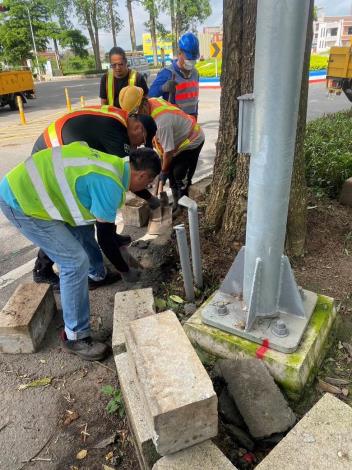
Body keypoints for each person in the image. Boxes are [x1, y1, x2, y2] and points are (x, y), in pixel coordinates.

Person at [0, 143, 161, 361]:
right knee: (74, 262)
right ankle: (75, 336)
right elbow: (106, 238)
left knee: (84, 229)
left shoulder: (114, 163)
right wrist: (126, 271)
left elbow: (96, 226)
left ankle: (96, 275)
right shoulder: (110, 185)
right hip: (21, 201)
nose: (147, 187)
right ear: (142, 175)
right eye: (149, 183)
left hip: (29, 186)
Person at [30, 105, 159, 288]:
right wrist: (150, 199)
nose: (136, 147)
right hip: (51, 157)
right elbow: (130, 176)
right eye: (140, 142)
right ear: (138, 128)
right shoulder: (116, 133)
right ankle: (50, 269)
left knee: (87, 220)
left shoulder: (118, 119)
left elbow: (126, 179)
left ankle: (95, 266)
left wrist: (110, 236)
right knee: (76, 223)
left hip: (58, 153)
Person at [119, 87, 205, 213]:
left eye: (136, 114)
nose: (135, 119)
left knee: (179, 175)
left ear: (143, 103)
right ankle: (175, 203)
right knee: (170, 174)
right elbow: (164, 148)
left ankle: (183, 208)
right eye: (132, 115)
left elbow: (168, 152)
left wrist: (163, 172)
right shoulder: (151, 105)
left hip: (191, 141)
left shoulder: (161, 121)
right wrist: (164, 171)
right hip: (174, 144)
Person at [149, 32, 200, 118]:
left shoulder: (195, 73)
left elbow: (194, 101)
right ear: (179, 53)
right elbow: (150, 96)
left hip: (191, 122)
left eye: (193, 59)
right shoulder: (167, 73)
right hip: (175, 122)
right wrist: (162, 88)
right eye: (188, 58)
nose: (191, 62)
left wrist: (195, 117)